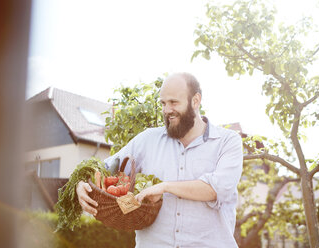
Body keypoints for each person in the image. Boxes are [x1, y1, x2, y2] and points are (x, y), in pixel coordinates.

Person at [77, 72, 244, 248]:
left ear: (195, 101)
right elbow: (105, 169)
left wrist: (165, 187)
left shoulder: (227, 141)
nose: (166, 110)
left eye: (173, 102)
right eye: (163, 103)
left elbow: (216, 189)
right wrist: (82, 183)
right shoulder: (147, 139)